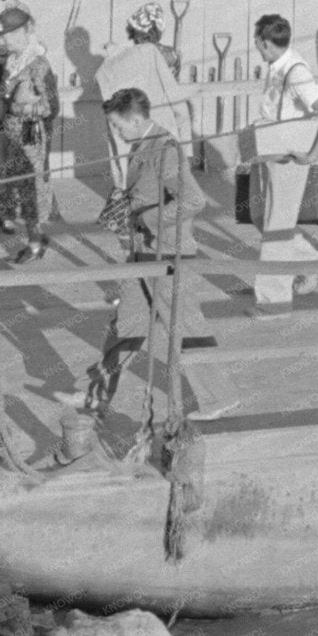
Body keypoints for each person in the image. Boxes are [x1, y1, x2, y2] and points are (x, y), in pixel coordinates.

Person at [65, 88, 207, 418]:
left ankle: (215, 398)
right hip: (144, 252)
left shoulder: (165, 148)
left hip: (169, 255)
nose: (116, 133)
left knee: (186, 328)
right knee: (125, 324)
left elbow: (193, 200)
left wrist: (149, 218)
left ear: (136, 119)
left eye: (118, 126)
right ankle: (96, 393)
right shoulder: (143, 145)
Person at [249, 13, 318, 311]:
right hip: (270, 152)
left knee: (276, 231)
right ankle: (311, 260)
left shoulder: (296, 71)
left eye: (256, 42)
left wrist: (314, 154)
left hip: (290, 160)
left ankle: (273, 303)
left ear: (263, 43)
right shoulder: (278, 65)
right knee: (261, 217)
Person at [0, 6, 60, 264]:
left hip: (31, 139)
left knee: (32, 192)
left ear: (25, 31)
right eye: (3, 35)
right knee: (15, 189)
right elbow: (2, 97)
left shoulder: (39, 65)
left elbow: (51, 108)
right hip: (13, 137)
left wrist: (19, 106)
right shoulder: (12, 61)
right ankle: (34, 236)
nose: (4, 39)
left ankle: (35, 243)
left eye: (9, 33)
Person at [96, 2, 199, 177]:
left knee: (139, 181)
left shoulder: (123, 57)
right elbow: (175, 95)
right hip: (164, 125)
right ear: (159, 31)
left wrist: (114, 52)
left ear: (133, 30)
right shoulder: (170, 54)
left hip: (135, 127)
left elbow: (104, 78)